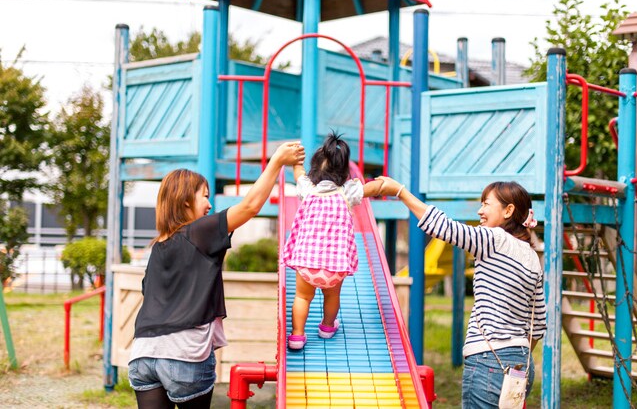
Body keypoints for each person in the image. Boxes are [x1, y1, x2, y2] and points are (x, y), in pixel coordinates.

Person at [127, 142, 305, 409]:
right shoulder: (198, 232)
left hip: (142, 355)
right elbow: (249, 207)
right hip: (183, 353)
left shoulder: (158, 247)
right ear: (187, 199)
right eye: (205, 196)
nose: (210, 204)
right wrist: (277, 161)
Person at [376, 177, 546, 408]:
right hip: (522, 366)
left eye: (486, 204)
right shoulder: (533, 258)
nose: (480, 210)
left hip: (489, 361)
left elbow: (443, 227)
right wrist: (514, 352)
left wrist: (400, 191)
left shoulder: (494, 239)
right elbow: (538, 327)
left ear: (509, 210)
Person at [282, 132, 383, 350]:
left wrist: (296, 161)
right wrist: (382, 184)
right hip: (334, 269)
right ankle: (327, 327)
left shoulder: (308, 190)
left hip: (307, 265)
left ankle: (297, 335)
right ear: (344, 173)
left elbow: (298, 174)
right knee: (332, 295)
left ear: (314, 172)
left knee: (302, 297)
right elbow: (370, 189)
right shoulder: (347, 193)